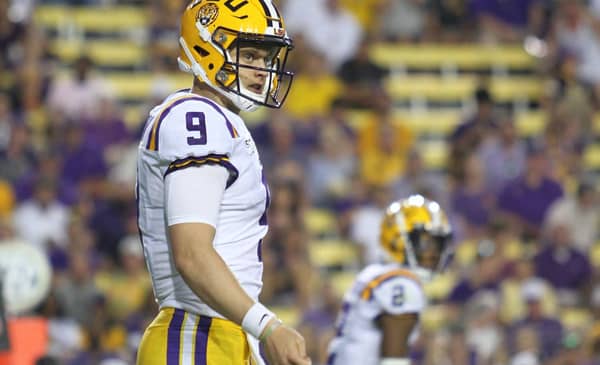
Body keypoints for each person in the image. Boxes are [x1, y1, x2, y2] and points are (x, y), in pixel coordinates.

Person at [135, 1, 310, 365]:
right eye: (250, 55)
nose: (262, 70)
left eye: (266, 58)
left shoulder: (218, 120)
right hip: (196, 333)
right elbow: (192, 253)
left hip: (220, 333)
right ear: (208, 46)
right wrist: (268, 327)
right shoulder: (196, 116)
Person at [327, 194, 453, 365]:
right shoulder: (401, 283)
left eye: (438, 244)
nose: (434, 253)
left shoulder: (375, 273)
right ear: (399, 239)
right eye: (426, 243)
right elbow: (393, 361)